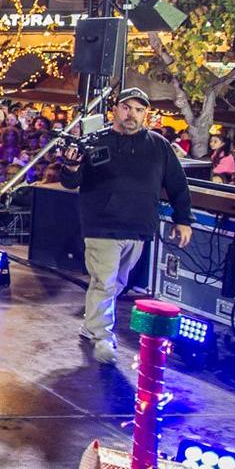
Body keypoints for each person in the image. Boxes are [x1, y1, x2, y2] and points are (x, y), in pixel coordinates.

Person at [59, 87, 193, 366]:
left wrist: (183, 219)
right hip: (102, 226)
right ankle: (102, 337)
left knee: (116, 283)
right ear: (115, 110)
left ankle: (91, 326)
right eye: (127, 107)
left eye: (139, 110)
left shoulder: (159, 145)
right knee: (104, 282)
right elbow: (71, 182)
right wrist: (70, 167)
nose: (132, 114)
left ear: (146, 114)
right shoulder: (95, 141)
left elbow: (178, 184)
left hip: (138, 227)